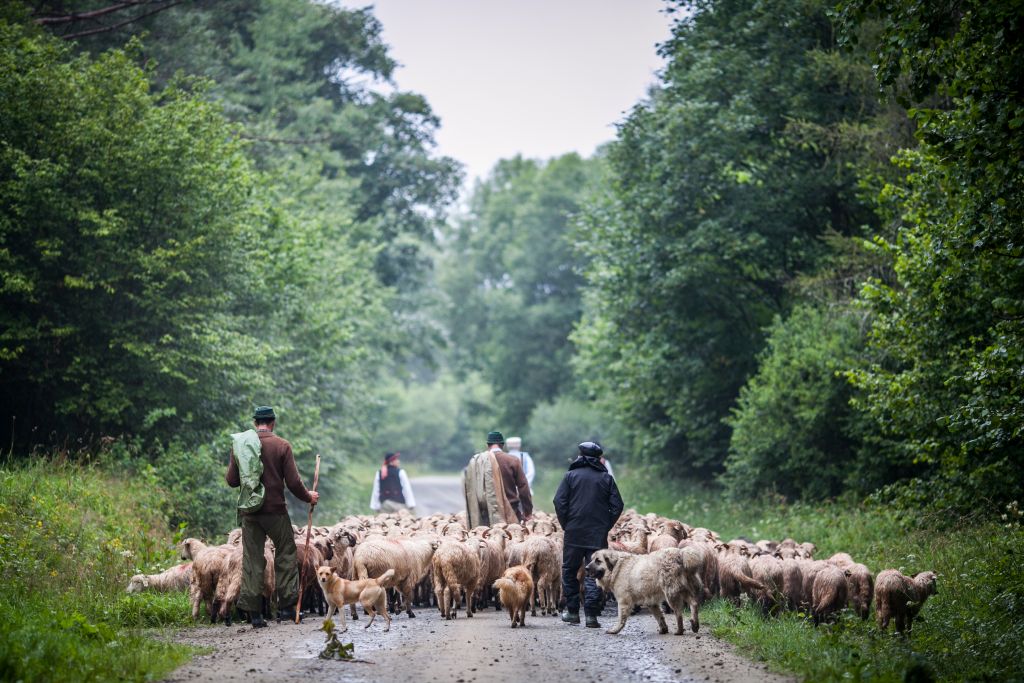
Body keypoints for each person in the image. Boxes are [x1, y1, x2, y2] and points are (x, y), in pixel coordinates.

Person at [226, 406, 319, 628]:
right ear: (273, 422)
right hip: (276, 511)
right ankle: (287, 608)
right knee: (286, 554)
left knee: (252, 559)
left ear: (255, 422)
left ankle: (254, 614)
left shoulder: (241, 445)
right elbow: (294, 483)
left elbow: (231, 480)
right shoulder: (282, 445)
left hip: (250, 513)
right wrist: (309, 497)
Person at [553, 440, 623, 629]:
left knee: (569, 570)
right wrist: (605, 525)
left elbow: (559, 501)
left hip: (574, 532)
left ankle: (573, 612)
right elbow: (618, 505)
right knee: (596, 571)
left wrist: (566, 523)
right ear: (598, 459)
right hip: (596, 535)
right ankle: (591, 616)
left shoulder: (570, 476)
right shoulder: (606, 478)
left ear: (581, 456)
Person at [463, 430, 533, 527]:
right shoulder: (513, 461)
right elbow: (523, 488)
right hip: (510, 512)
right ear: (502, 445)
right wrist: (527, 511)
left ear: (488, 445)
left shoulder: (478, 461)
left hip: (485, 514)